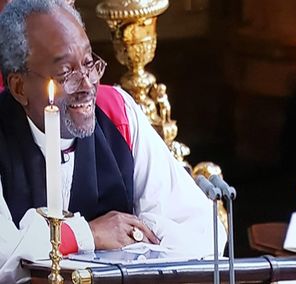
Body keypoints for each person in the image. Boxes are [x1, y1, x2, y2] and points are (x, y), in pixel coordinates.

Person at [0, 0, 227, 282]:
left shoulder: (117, 111)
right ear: (19, 87)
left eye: (88, 64)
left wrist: (137, 231)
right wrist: (89, 234)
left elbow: (203, 227)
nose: (86, 85)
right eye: (65, 73)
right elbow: (5, 257)